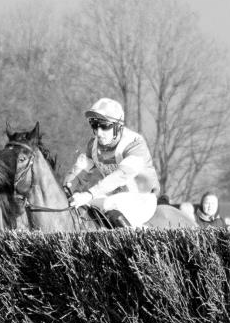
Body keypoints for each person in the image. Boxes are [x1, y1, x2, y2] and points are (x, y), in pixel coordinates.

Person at [62, 98, 159, 228]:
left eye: (104, 126)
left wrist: (89, 194)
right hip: (114, 198)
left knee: (108, 204)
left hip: (142, 199)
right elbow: (79, 172)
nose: (98, 133)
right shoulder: (93, 145)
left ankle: (136, 240)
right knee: (83, 206)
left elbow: (121, 175)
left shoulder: (134, 143)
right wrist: (66, 191)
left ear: (118, 126)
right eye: (94, 125)